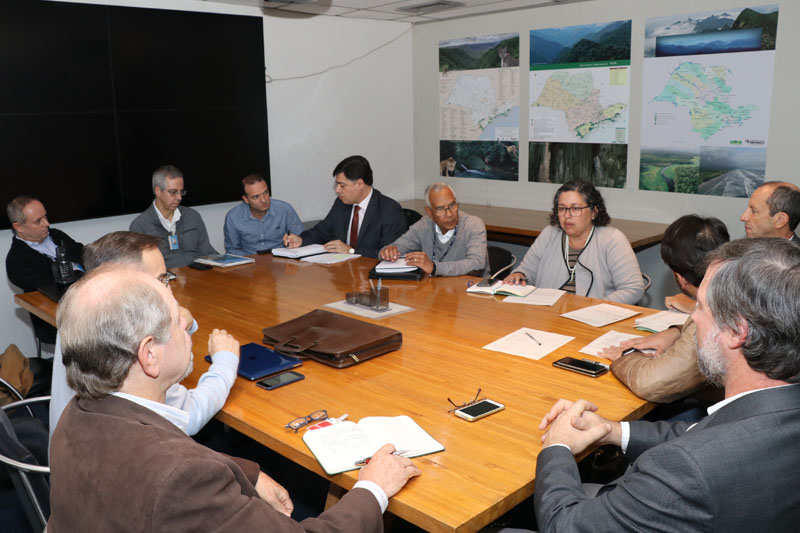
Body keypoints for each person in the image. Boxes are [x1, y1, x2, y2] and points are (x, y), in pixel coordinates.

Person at [49, 266, 421, 531]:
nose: (187, 325)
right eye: (177, 318)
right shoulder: (180, 479)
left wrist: (247, 473)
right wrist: (372, 489)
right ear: (148, 355)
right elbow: (175, 472)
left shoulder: (77, 414)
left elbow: (166, 455)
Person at [534, 238, 800, 531]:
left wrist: (557, 446)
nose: (692, 318)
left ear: (737, 330)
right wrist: (612, 430)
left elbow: (564, 525)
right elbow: (702, 434)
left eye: (700, 306)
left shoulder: (685, 470)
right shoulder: (773, 407)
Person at [49, 231, 238, 438]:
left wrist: (178, 324)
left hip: (75, 448)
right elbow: (188, 416)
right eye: (160, 280)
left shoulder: (83, 313)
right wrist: (224, 363)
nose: (168, 289)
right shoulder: (132, 341)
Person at [599, 215, 729, 404]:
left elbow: (650, 383)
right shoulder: (733, 292)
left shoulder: (710, 317)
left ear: (680, 278)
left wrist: (625, 357)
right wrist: (676, 332)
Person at [505, 181, 644, 304]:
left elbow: (633, 289)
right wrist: (519, 275)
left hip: (594, 320)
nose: (567, 215)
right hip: (547, 316)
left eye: (575, 208)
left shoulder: (612, 239)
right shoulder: (549, 234)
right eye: (562, 208)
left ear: (594, 211)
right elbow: (526, 270)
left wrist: (595, 307)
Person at [283, 155, 407, 258]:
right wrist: (300, 240)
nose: (337, 190)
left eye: (342, 185)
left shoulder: (389, 210)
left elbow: (389, 254)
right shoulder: (341, 204)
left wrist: (351, 251)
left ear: (359, 184)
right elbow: (321, 231)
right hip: (342, 272)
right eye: (337, 185)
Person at [5, 196, 84, 342]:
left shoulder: (56, 235)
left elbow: (84, 254)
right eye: (38, 221)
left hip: (90, 299)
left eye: (45, 216)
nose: (47, 224)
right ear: (19, 227)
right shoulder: (17, 261)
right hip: (59, 317)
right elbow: (57, 288)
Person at [379, 183, 487, 277]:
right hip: (436, 289)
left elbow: (477, 264)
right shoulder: (423, 225)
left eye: (452, 205)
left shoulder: (473, 225)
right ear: (429, 212)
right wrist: (388, 251)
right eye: (440, 209)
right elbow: (397, 247)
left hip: (471, 290)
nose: (449, 214)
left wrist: (434, 268)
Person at [129, 164, 218, 268]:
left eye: (181, 192)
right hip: (166, 281)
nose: (179, 197)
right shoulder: (140, 226)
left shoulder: (193, 217)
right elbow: (143, 267)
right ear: (158, 191)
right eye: (173, 192)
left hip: (198, 278)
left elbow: (207, 252)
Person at [224, 174, 303, 256]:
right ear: (246, 199)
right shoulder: (233, 217)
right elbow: (232, 250)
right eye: (256, 197)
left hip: (282, 261)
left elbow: (300, 238)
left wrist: (294, 242)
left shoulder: (284, 209)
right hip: (251, 263)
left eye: (265, 192)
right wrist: (251, 260)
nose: (263, 200)